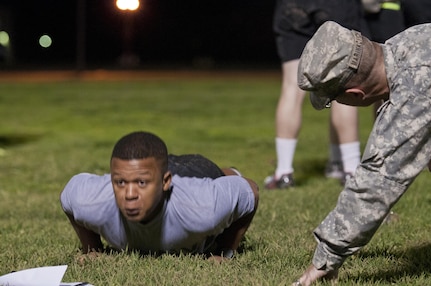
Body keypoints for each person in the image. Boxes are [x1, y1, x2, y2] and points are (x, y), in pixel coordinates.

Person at [291, 21, 431, 285]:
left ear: (355, 94)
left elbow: (378, 179)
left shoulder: (417, 81)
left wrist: (326, 257)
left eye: (333, 100)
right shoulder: (410, 41)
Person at [60, 131, 259, 262]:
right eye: (120, 183)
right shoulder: (89, 201)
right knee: (141, 171)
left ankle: (229, 171)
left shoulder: (205, 207)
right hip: (151, 172)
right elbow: (69, 196)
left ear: (166, 182)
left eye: (140, 184)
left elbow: (251, 190)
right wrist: (93, 249)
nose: (129, 195)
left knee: (218, 175)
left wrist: (224, 251)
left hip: (194, 172)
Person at [264, 0, 365, 189]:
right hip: (337, 6)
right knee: (343, 84)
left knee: (290, 87)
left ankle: (284, 172)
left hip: (293, 5)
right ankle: (351, 170)